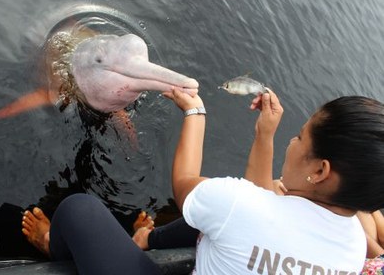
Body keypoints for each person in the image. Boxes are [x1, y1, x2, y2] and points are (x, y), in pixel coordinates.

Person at [22, 89, 384, 274]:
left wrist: (195, 110)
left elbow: (184, 183)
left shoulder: (239, 206)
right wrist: (264, 136)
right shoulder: (354, 249)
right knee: (215, 220)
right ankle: (146, 238)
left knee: (80, 210)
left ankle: (51, 243)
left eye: (301, 137)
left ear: (320, 171)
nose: (293, 140)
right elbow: (264, 207)